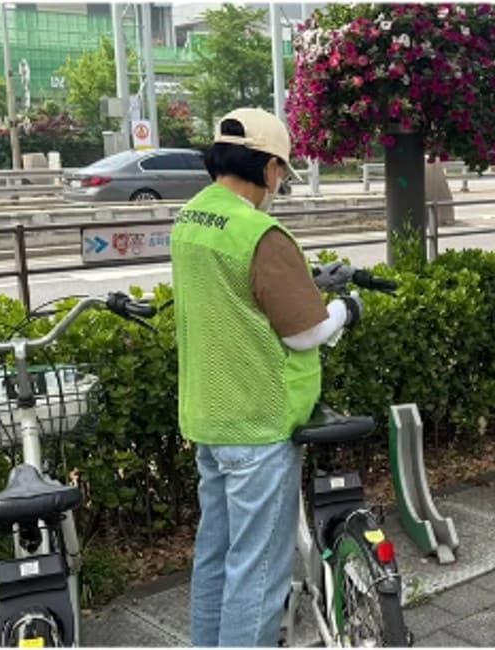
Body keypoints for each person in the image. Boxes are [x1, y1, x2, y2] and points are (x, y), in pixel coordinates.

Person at [171, 107, 362, 647]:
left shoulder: (189, 219)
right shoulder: (259, 233)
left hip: (210, 416)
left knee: (215, 555)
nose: (279, 182)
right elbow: (305, 333)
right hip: (259, 420)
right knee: (258, 571)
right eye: (281, 170)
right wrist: (345, 312)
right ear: (269, 167)